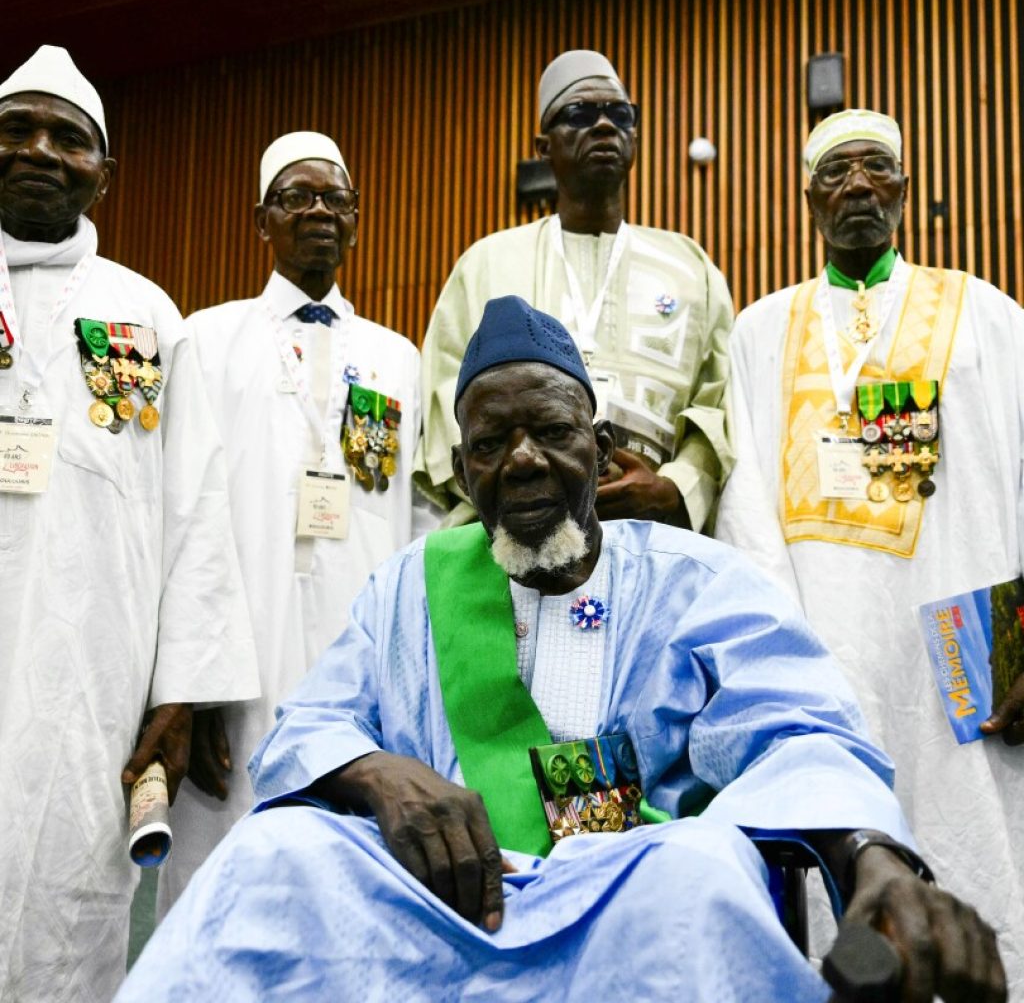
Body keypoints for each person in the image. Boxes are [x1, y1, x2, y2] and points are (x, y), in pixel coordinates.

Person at [119, 296, 1005, 1003]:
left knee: (698, 869)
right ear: (463, 472)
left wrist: (872, 857)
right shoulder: (406, 588)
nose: (525, 461)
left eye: (551, 431)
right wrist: (380, 775)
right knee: (271, 857)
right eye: (492, 444)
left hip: (628, 898)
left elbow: (802, 732)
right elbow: (311, 726)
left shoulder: (698, 582)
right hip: (445, 906)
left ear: (601, 445)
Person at [716, 108, 1024, 990]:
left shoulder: (990, 317)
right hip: (827, 644)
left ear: (901, 188)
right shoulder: (761, 332)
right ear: (808, 199)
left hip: (968, 654)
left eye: (875, 168)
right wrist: (789, 656)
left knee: (981, 857)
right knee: (843, 852)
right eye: (835, 172)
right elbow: (744, 511)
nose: (857, 184)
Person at [0, 46, 258, 1002]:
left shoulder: (146, 315)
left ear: (105, 174)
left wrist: (184, 692)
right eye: (17, 128)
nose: (38, 149)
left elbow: (197, 506)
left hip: (88, 688)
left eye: (68, 138)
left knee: (64, 909)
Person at [157, 132, 422, 914]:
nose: (317, 212)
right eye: (295, 197)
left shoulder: (395, 356)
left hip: (357, 658)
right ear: (260, 219)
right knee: (222, 883)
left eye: (333, 199)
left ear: (356, 219)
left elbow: (414, 524)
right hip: (237, 669)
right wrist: (191, 684)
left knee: (347, 889)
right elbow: (184, 515)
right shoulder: (205, 337)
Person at [415, 49, 732, 533]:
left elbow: (720, 402)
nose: (604, 126)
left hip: (654, 533)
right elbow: (444, 406)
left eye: (619, 115)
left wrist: (676, 488)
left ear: (635, 135)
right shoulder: (488, 262)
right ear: (544, 146)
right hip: (512, 535)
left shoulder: (690, 267)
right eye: (580, 114)